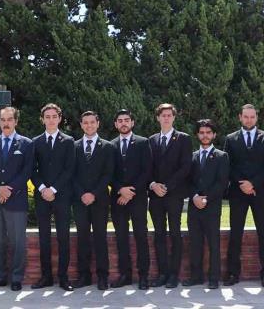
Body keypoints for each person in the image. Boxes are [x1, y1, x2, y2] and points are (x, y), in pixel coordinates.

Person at [0, 106, 34, 291]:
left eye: (9, 119)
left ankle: (17, 277)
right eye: (3, 120)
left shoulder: (26, 144)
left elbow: (27, 171)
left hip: (17, 200)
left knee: (18, 242)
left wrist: (9, 190)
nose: (6, 123)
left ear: (16, 121)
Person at [224, 104, 264, 288]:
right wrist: (243, 184)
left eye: (252, 117)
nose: (249, 120)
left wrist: (253, 183)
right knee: (235, 233)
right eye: (246, 117)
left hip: (260, 192)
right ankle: (232, 273)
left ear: (257, 118)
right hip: (238, 193)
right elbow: (228, 165)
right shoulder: (230, 139)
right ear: (240, 117)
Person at [30, 103, 75, 291]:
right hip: (42, 197)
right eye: (47, 117)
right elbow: (32, 169)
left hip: (62, 196)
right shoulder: (35, 142)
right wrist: (42, 188)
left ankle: (63, 278)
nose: (50, 120)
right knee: (44, 238)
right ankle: (46, 277)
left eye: (54, 116)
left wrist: (53, 189)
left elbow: (69, 169)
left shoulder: (69, 141)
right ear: (42, 119)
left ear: (59, 118)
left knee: (63, 238)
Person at [147, 103, 192, 288]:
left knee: (174, 234)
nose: (166, 118)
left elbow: (186, 166)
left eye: (169, 115)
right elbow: (146, 167)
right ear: (158, 118)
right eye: (162, 115)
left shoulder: (183, 139)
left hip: (174, 194)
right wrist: (153, 185)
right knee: (159, 235)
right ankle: (163, 274)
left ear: (174, 117)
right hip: (155, 195)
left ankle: (174, 274)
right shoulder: (151, 140)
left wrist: (167, 186)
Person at [183, 119, 229, 289]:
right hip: (194, 207)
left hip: (212, 207)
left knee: (213, 243)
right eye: (202, 132)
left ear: (214, 135)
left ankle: (213, 278)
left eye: (208, 132)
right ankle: (196, 277)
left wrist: (206, 198)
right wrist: (194, 196)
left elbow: (222, 182)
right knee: (194, 243)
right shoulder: (191, 156)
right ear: (197, 135)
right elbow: (187, 180)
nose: (205, 135)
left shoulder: (222, 156)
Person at [72, 111, 115, 290]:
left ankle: (103, 276)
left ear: (98, 124)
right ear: (81, 125)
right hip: (79, 199)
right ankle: (84, 276)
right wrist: (82, 193)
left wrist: (94, 194)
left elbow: (108, 174)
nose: (89, 125)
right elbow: (71, 173)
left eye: (92, 122)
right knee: (82, 238)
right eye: (85, 123)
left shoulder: (108, 147)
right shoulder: (73, 147)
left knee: (100, 238)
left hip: (100, 200)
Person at [109, 109, 151, 290]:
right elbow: (108, 172)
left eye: (127, 120)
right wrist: (120, 190)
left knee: (141, 236)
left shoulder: (143, 143)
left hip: (138, 197)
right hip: (118, 199)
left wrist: (130, 192)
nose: (123, 123)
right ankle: (125, 275)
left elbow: (147, 171)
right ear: (116, 124)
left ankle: (143, 276)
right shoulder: (110, 146)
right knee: (121, 238)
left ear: (132, 122)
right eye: (120, 120)